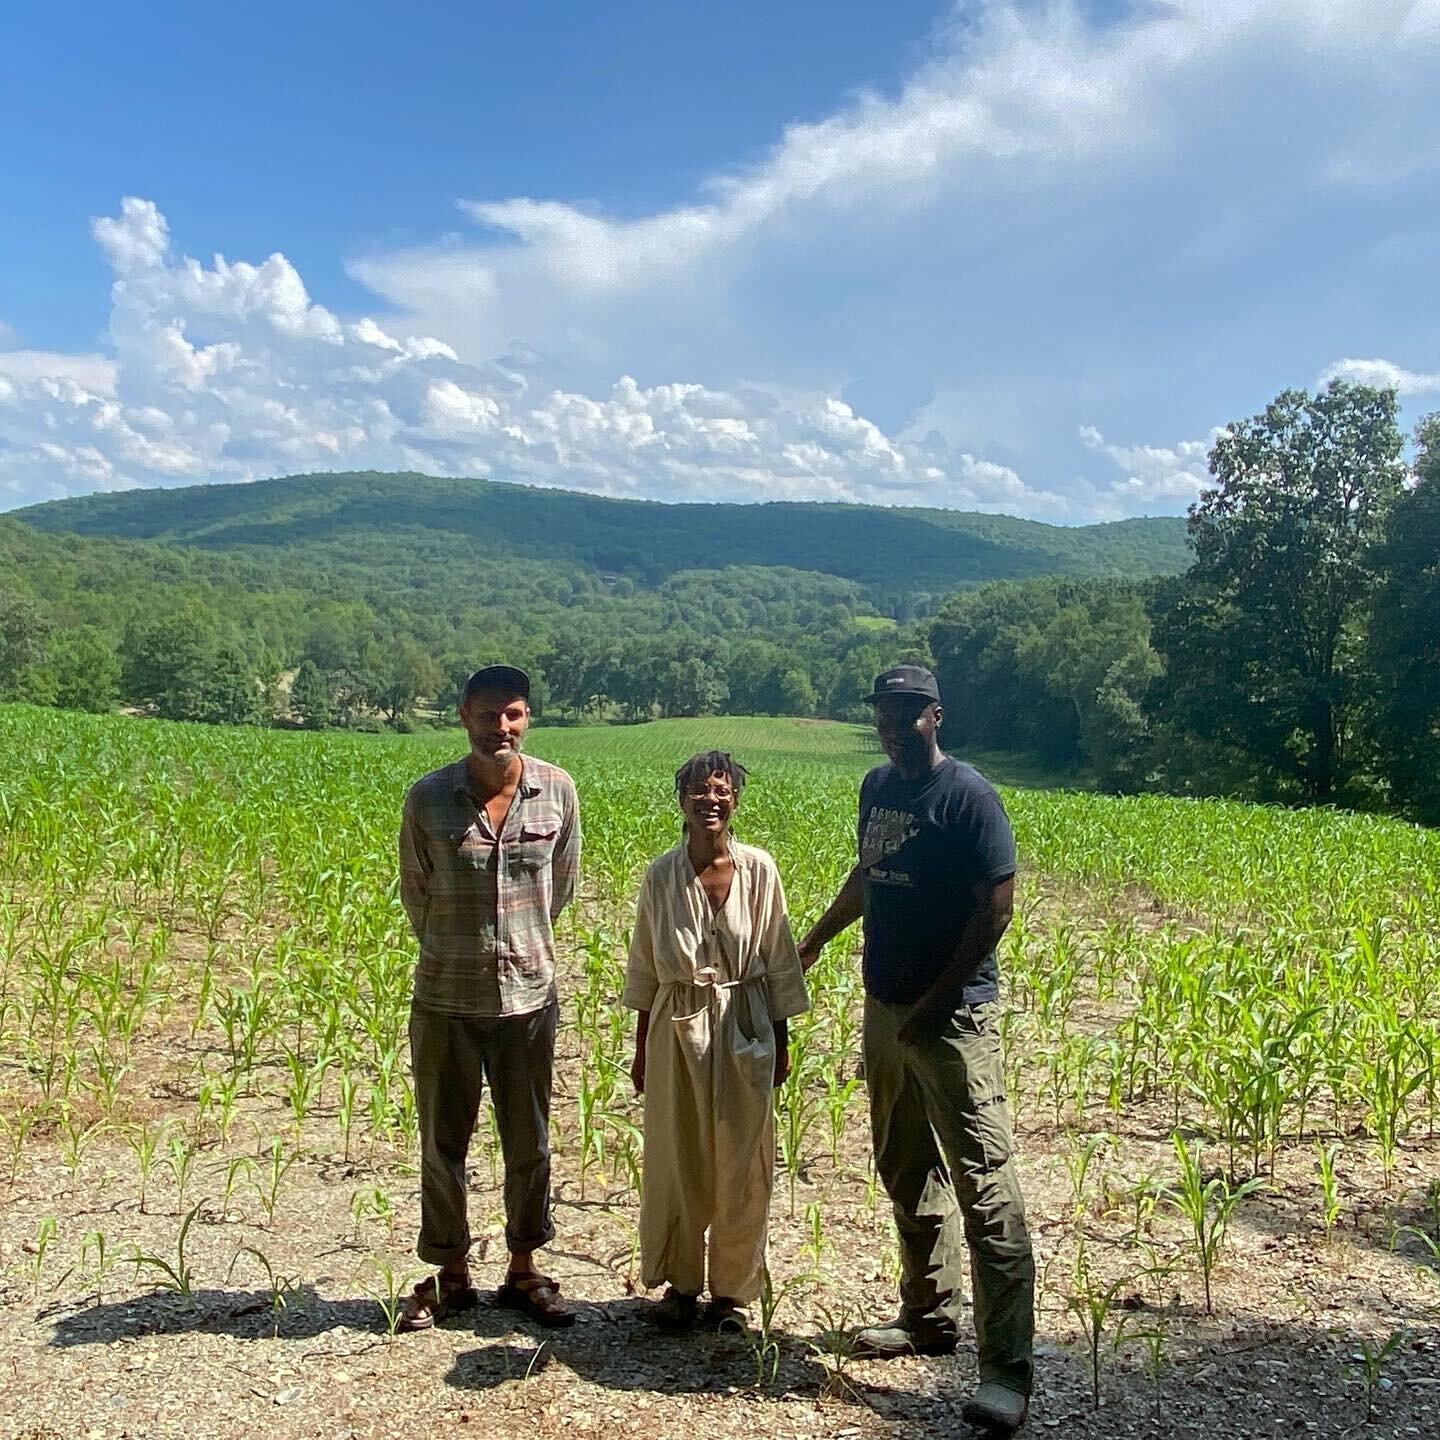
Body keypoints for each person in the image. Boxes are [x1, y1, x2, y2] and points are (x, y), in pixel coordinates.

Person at [798, 665, 1034, 1435]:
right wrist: (814, 943)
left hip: (953, 1021)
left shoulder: (969, 797)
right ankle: (928, 1315)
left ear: (936, 715)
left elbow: (995, 911)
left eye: (908, 713)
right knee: (904, 1163)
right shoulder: (878, 787)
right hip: (885, 1010)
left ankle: (1005, 1374)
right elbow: (869, 876)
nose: (895, 726)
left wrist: (933, 1009)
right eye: (884, 714)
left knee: (985, 1185)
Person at [396, 664, 581, 1330]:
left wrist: (521, 946)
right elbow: (416, 893)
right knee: (443, 1144)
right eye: (486, 714)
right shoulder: (428, 798)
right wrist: (462, 948)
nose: (500, 727)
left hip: (529, 999)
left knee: (528, 1141)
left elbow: (561, 887)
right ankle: (450, 1274)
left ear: (527, 718)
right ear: (463, 716)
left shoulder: (558, 791)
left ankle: (524, 1270)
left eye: (513, 714)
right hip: (446, 997)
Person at [623, 751, 810, 1331]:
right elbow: (646, 970)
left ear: (735, 801)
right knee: (678, 1156)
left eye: (722, 791)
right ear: (681, 800)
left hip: (744, 1022)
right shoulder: (661, 875)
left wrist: (779, 1042)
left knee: (743, 1162)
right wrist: (641, 1048)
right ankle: (680, 1286)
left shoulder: (759, 871)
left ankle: (730, 1295)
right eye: (699, 791)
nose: (711, 800)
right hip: (676, 1027)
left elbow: (778, 958)